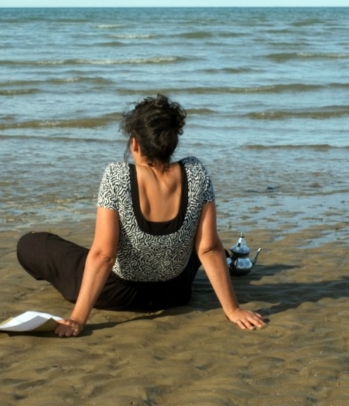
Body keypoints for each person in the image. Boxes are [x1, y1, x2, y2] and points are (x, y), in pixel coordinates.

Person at [17, 94, 265, 337]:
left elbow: (104, 254)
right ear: (171, 142)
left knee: (32, 243)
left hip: (118, 293)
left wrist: (78, 318)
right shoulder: (196, 172)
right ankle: (233, 261)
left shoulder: (117, 177)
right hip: (176, 292)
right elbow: (208, 249)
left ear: (134, 143)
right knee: (203, 241)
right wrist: (232, 310)